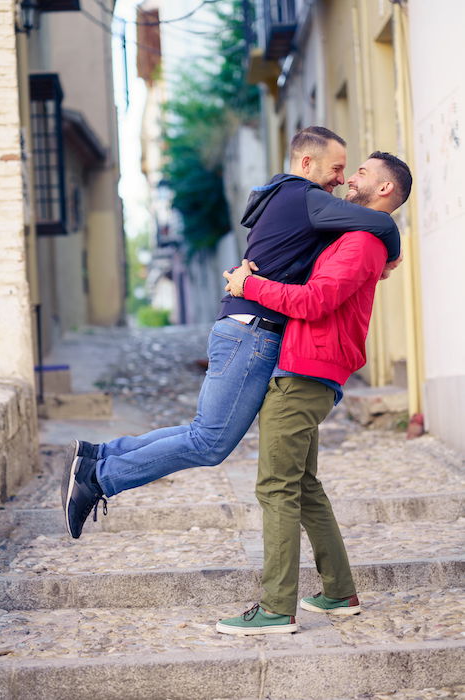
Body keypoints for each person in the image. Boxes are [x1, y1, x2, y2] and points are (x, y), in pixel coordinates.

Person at [61, 128, 401, 540]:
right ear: (306, 164)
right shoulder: (304, 198)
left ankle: (100, 456)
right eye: (336, 169)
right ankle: (98, 478)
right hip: (252, 330)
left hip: (245, 329)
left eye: (348, 171)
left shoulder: (290, 199)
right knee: (210, 442)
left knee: (202, 431)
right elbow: (375, 220)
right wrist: (393, 244)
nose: (339, 180)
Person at [216, 152, 412, 636]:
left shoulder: (364, 241)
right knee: (303, 487)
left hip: (304, 372)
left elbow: (314, 301)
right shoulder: (357, 238)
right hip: (309, 367)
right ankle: (338, 591)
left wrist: (250, 284)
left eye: (362, 172)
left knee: (275, 486)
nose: (349, 178)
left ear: (384, 190)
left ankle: (275, 608)